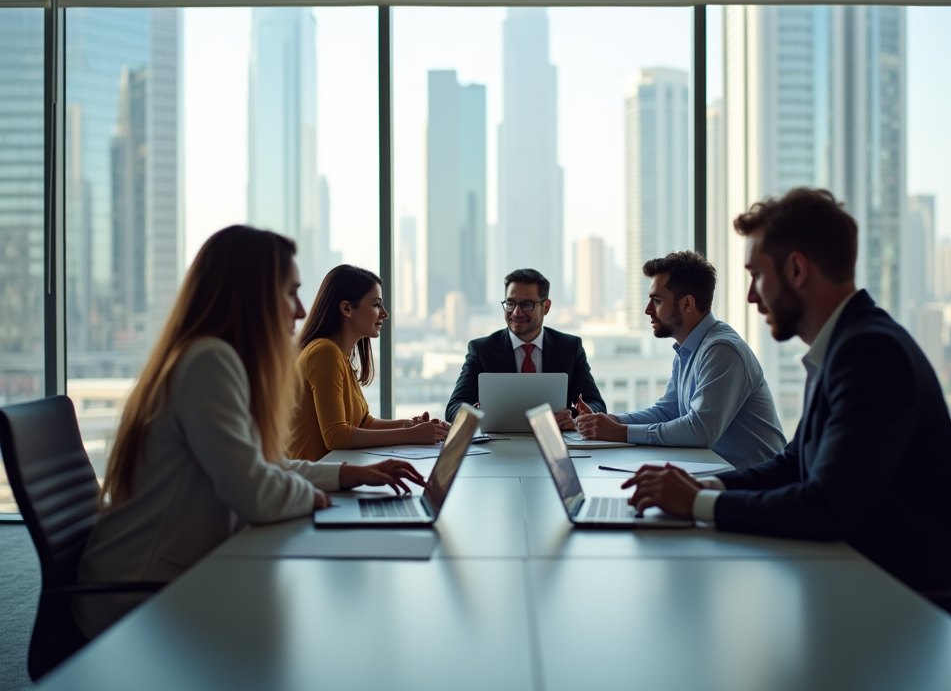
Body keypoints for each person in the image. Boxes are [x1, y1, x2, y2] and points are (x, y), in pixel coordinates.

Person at [624, 189, 951, 592]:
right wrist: (705, 487)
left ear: (796, 270)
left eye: (757, 275)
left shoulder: (871, 353)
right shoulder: (842, 345)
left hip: (918, 600)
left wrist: (697, 504)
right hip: (864, 577)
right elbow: (793, 463)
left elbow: (824, 508)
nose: (750, 295)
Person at [75, 227, 425, 638]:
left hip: (182, 573)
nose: (299, 311)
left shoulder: (218, 359)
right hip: (137, 596)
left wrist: (349, 475)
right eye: (289, 293)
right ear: (251, 293)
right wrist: (314, 496)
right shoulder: (208, 362)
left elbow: (264, 464)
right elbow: (256, 492)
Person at [576, 251, 785, 469]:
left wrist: (620, 432)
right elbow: (668, 411)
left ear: (687, 304)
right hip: (718, 475)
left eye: (656, 301)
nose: (648, 310)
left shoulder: (722, 349)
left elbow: (700, 430)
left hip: (757, 488)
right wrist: (610, 421)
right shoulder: (688, 349)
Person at [289, 265, 448, 461]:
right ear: (347, 308)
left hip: (331, 471)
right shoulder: (324, 353)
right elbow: (336, 437)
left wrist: (411, 426)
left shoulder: (341, 355)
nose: (384, 314)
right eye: (376, 305)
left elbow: (364, 423)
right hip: (313, 481)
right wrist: (413, 435)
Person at [445, 268, 605, 429]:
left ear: (546, 307)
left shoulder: (569, 347)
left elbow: (596, 404)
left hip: (556, 441)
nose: (516, 312)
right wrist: (475, 414)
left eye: (526, 304)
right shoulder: (482, 350)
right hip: (497, 445)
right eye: (510, 303)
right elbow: (454, 408)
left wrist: (573, 416)